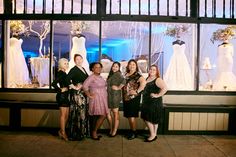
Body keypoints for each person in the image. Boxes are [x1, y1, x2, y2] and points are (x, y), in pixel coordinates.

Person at [83, 62, 109, 140]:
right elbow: (84, 86)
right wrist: (88, 94)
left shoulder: (100, 77)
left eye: (99, 67)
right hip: (96, 99)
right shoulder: (91, 77)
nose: (98, 69)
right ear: (92, 69)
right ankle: (93, 133)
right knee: (95, 116)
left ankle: (95, 131)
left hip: (103, 99)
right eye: (96, 67)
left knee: (103, 115)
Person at [141, 65, 167, 142]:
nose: (152, 71)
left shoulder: (158, 79)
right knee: (152, 119)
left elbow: (165, 88)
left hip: (154, 102)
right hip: (147, 102)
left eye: (154, 70)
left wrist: (157, 95)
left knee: (148, 118)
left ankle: (152, 135)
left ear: (157, 71)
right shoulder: (147, 78)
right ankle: (154, 135)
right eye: (151, 69)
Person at [66, 54, 89, 140]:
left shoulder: (83, 69)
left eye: (80, 59)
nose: (79, 61)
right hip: (77, 95)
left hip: (83, 94)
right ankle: (76, 134)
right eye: (77, 59)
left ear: (82, 60)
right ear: (75, 61)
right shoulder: (74, 69)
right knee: (78, 113)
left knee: (82, 113)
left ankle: (82, 132)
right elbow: (67, 79)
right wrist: (74, 87)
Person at [122, 59, 146, 140]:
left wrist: (137, 91)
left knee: (132, 116)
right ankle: (132, 130)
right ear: (128, 66)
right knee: (129, 115)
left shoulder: (138, 75)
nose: (132, 66)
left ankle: (134, 133)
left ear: (136, 66)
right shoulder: (126, 74)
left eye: (133, 64)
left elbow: (144, 83)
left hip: (133, 98)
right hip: (126, 98)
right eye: (130, 64)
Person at [51, 58, 70, 141]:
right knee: (63, 116)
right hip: (62, 96)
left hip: (66, 96)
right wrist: (60, 90)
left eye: (67, 63)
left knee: (67, 116)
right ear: (61, 64)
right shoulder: (60, 73)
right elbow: (53, 84)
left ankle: (61, 131)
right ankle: (63, 133)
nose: (66, 65)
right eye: (65, 63)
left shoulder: (64, 73)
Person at [107, 62, 125, 137]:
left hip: (115, 96)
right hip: (109, 96)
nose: (114, 68)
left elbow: (124, 81)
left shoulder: (118, 74)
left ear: (119, 68)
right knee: (107, 113)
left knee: (115, 113)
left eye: (116, 67)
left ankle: (114, 130)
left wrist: (118, 87)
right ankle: (111, 128)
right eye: (113, 66)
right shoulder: (111, 75)